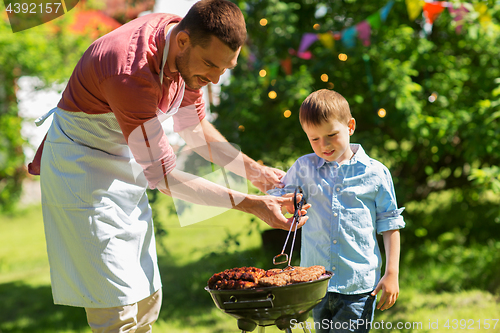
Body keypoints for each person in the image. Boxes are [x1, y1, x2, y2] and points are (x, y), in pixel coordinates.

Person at [27, 1, 309, 332]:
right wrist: (252, 204)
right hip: (83, 172)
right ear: (183, 41)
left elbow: (195, 131)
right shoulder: (131, 73)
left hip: (127, 164)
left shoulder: (186, 55)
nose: (215, 79)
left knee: (147, 298)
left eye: (225, 68)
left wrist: (256, 173)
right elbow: (165, 177)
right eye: (210, 65)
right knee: (116, 311)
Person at [268, 89, 405, 332]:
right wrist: (283, 197)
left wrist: (391, 273)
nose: (324, 145)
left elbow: (390, 223)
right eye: (314, 139)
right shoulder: (304, 168)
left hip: (358, 287)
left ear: (350, 126)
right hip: (314, 283)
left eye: (331, 134)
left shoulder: (375, 173)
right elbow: (275, 199)